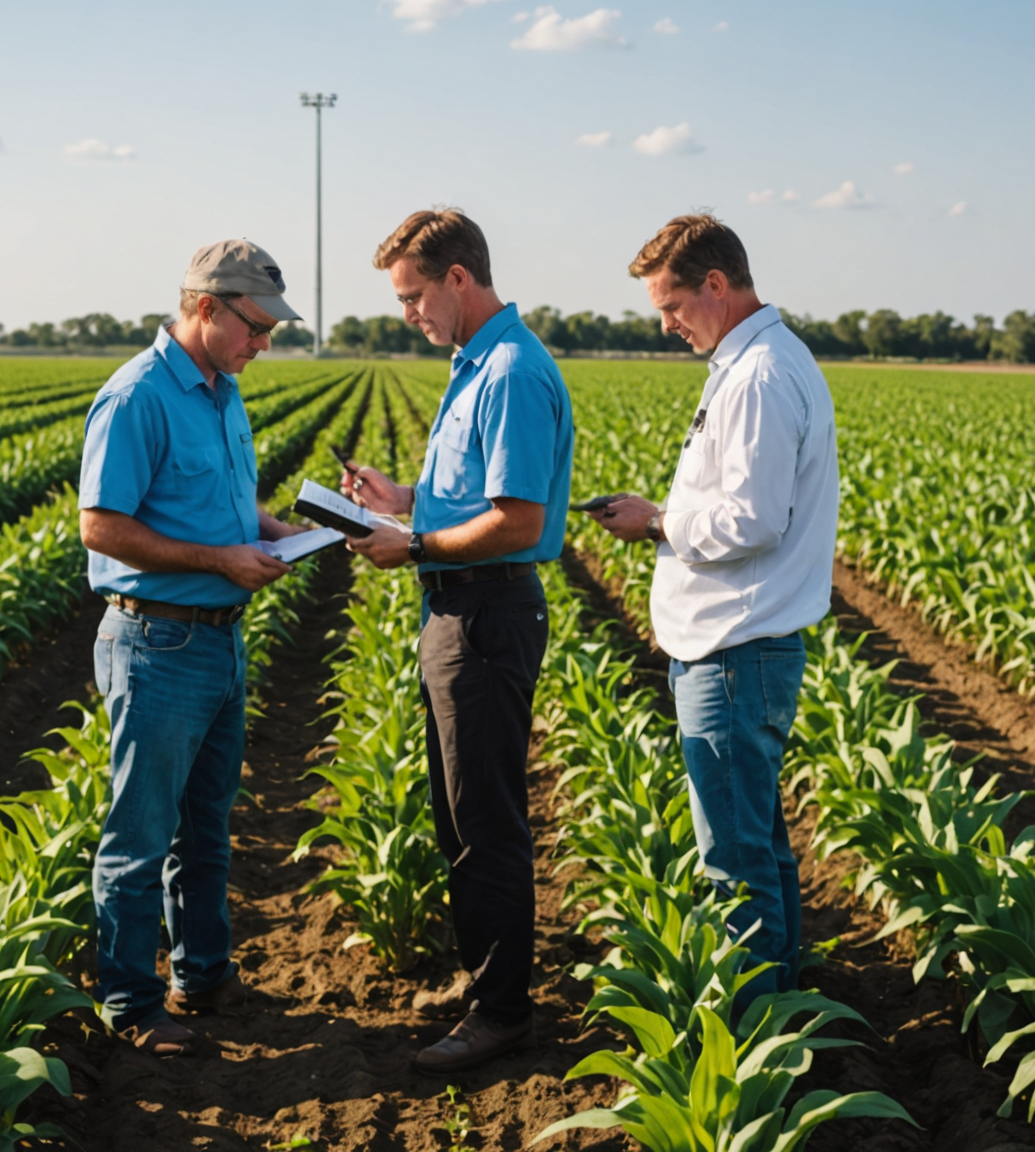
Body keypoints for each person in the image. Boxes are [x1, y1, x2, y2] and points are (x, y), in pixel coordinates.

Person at [581, 214, 838, 998]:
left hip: (733, 653)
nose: (666, 324)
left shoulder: (759, 377)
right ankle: (781, 1004)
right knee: (759, 844)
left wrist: (656, 523)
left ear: (717, 286)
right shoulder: (758, 361)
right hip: (740, 650)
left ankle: (755, 1027)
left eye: (672, 305)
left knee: (735, 861)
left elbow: (753, 521)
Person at [343, 208, 574, 1074]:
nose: (409, 313)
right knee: (458, 816)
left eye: (413, 297)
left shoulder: (509, 371)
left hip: (485, 611)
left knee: (486, 820)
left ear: (459, 279)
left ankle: (503, 1012)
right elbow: (476, 496)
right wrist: (403, 500)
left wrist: (413, 546)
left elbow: (517, 521)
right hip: (460, 608)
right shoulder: (475, 364)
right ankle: (484, 982)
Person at [79, 239, 311, 1057]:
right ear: (206, 308)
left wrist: (285, 534)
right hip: (157, 641)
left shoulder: (222, 392)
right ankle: (129, 1003)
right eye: (256, 327)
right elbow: (102, 527)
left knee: (206, 827)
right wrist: (220, 561)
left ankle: (203, 974)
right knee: (141, 834)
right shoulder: (137, 396)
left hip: (219, 641)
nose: (264, 344)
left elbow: (229, 509)